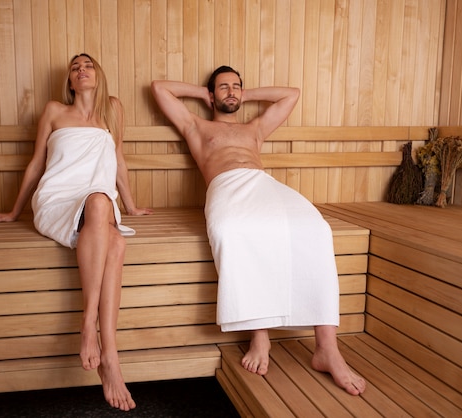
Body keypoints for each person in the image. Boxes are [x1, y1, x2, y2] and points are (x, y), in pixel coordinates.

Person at [151, 66, 366, 395]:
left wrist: (245, 94)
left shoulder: (255, 128)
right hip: (225, 187)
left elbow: (291, 94)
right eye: (224, 87)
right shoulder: (196, 125)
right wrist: (205, 93)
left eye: (236, 86)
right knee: (230, 231)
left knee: (316, 229)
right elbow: (159, 88)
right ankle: (259, 335)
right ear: (211, 95)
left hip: (263, 185)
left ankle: (327, 348)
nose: (232, 91)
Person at [0, 53, 152, 411]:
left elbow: (118, 158)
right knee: (102, 206)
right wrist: (14, 211)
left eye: (87, 65)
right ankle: (88, 327)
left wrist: (132, 206)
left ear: (99, 75)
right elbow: (36, 162)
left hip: (98, 202)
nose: (81, 70)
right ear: (70, 83)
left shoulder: (114, 110)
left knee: (116, 239)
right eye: (75, 68)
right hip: (58, 198)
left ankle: (111, 357)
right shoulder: (54, 110)